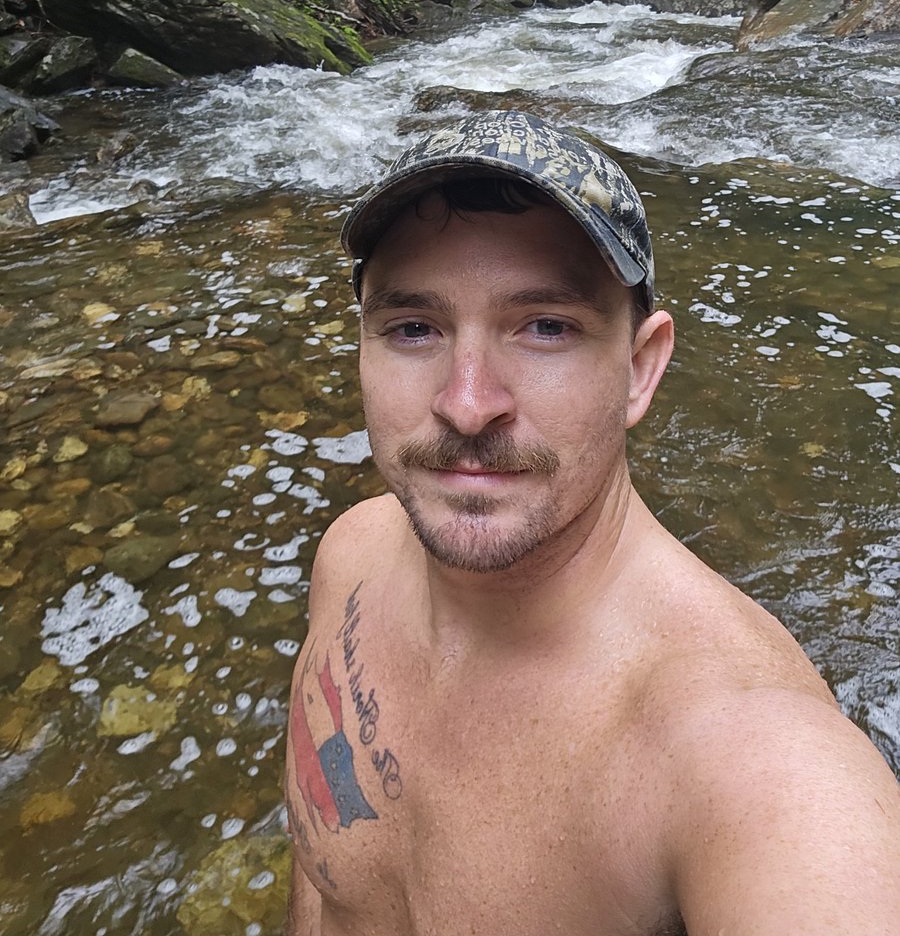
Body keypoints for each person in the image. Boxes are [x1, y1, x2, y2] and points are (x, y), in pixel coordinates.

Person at [284, 110, 900, 936]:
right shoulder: (350, 557)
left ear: (641, 369)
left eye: (546, 327)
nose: (467, 403)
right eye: (414, 328)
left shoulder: (752, 764)